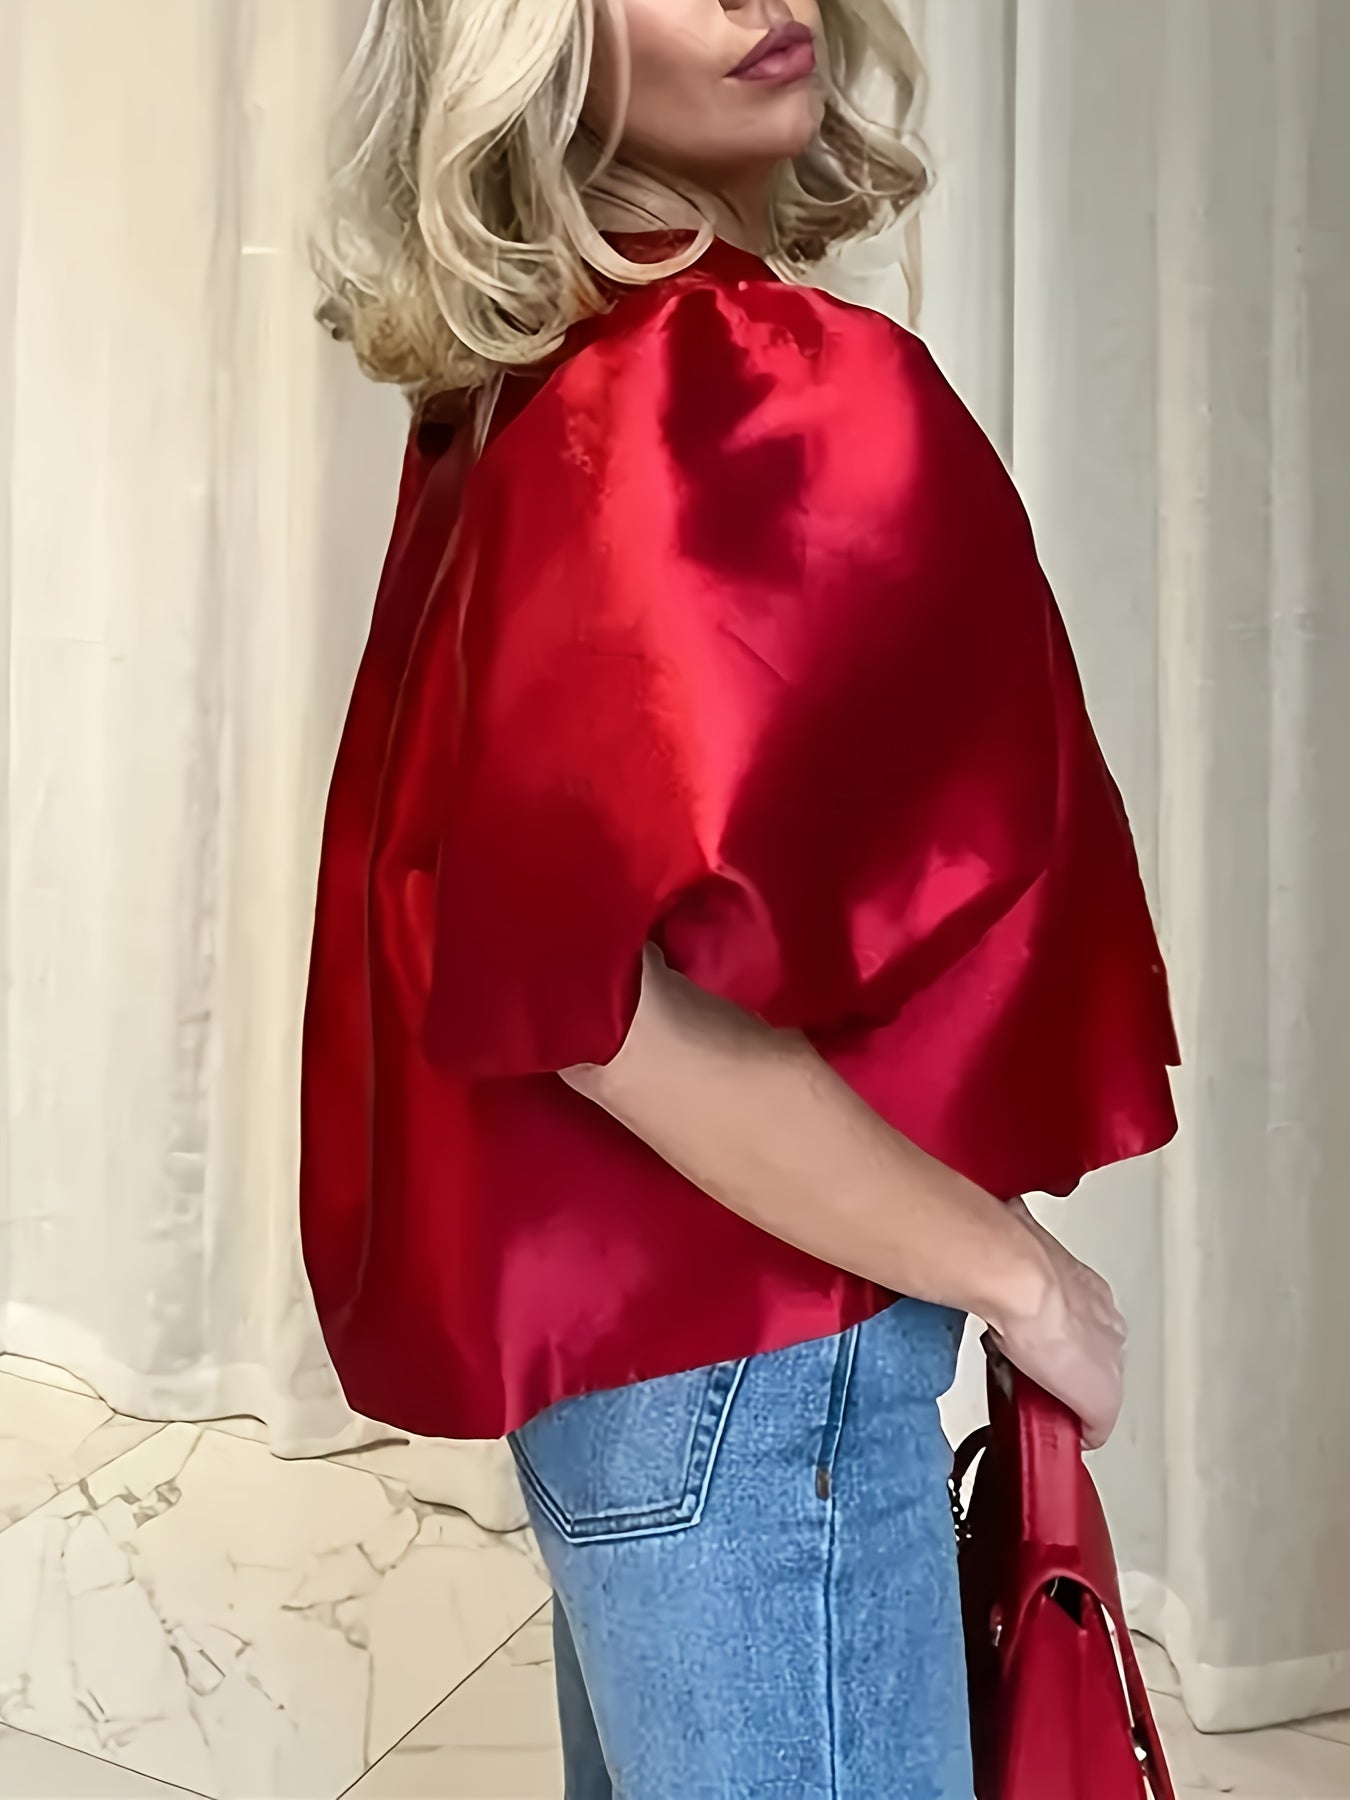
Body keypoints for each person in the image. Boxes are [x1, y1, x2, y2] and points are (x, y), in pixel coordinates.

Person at [301, 2, 1180, 1794]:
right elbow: (591, 1000)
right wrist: (1020, 1277)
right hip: (756, 1373)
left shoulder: (546, 376)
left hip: (621, 1376)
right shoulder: (732, 379)